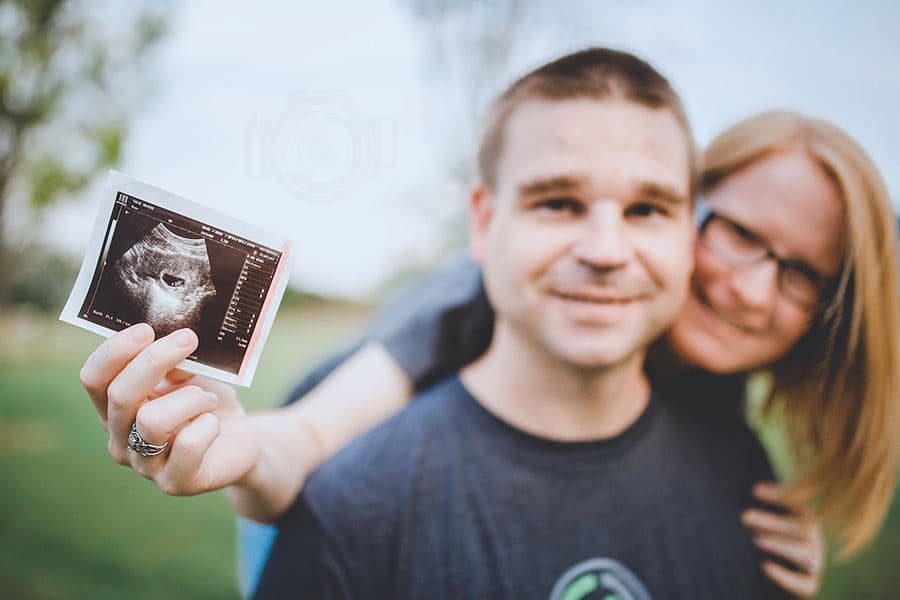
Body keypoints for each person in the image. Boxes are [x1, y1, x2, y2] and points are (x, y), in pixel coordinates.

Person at [76, 49, 900, 597]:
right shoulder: (462, 309)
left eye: (804, 276)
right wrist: (248, 455)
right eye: (742, 236)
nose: (754, 290)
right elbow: (305, 444)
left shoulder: (721, 427)